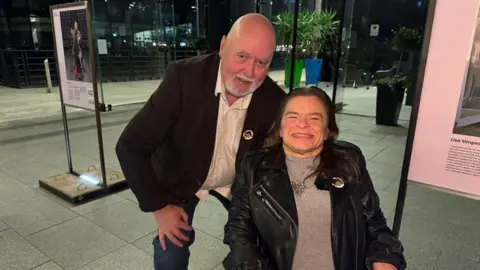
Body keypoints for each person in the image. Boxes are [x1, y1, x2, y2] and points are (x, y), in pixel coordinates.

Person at [115, 13, 285, 270]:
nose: (249, 72)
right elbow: (130, 146)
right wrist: (160, 209)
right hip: (182, 178)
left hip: (237, 182)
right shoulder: (184, 79)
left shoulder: (273, 99)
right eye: (242, 57)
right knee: (171, 247)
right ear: (224, 46)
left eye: (261, 62)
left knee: (262, 244)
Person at [223, 86, 407, 270]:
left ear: (327, 130)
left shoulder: (349, 161)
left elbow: (374, 222)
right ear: (279, 127)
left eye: (314, 118)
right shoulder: (253, 165)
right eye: (293, 116)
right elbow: (238, 228)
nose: (302, 124)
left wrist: (386, 258)